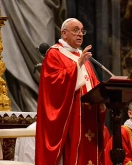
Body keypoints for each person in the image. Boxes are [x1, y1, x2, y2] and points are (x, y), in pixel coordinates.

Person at [35, 18, 108, 165]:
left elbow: (92, 83)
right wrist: (78, 65)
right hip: (71, 116)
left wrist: (103, 98)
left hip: (89, 114)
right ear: (64, 33)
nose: (80, 34)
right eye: (75, 30)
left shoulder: (81, 55)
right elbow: (53, 86)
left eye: (82, 31)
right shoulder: (54, 54)